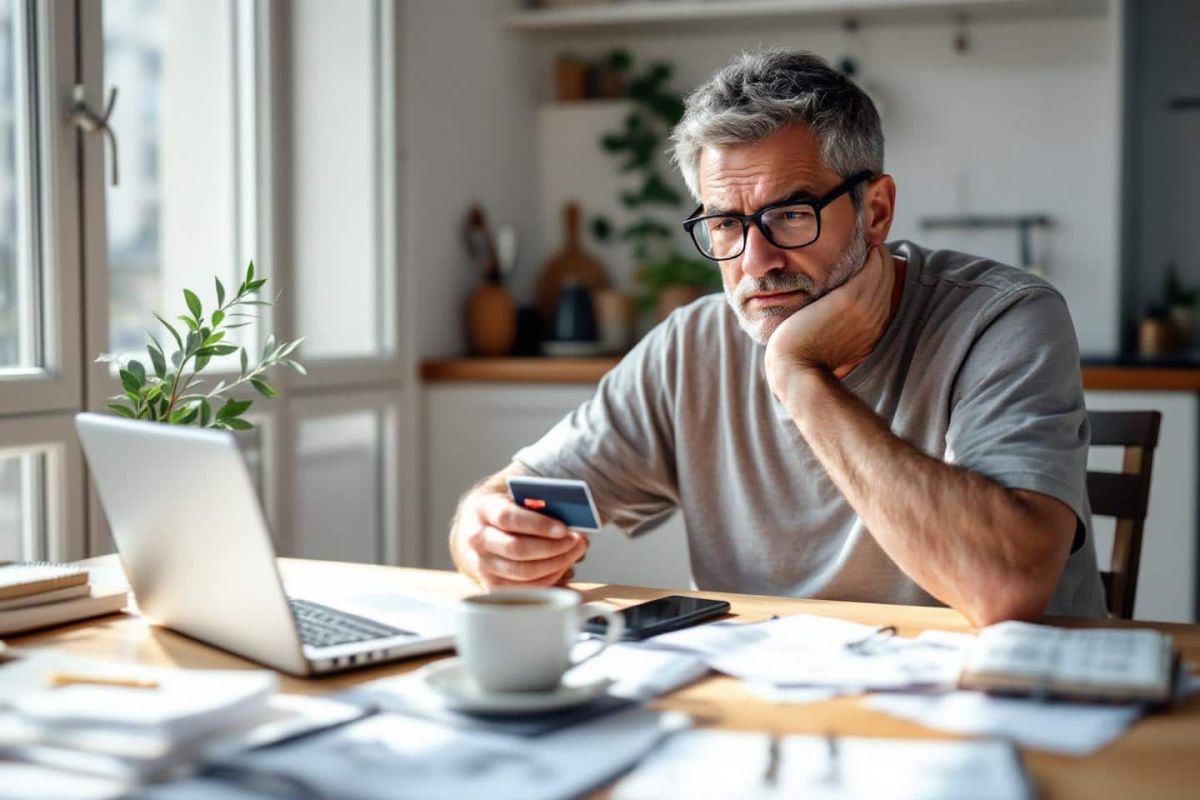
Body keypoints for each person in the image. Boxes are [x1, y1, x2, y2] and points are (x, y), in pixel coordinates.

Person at [449, 48, 1106, 624]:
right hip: (763, 710)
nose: (756, 262)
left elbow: (1005, 587)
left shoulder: (1003, 319)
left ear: (875, 211)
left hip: (994, 715)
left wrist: (799, 376)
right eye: (727, 225)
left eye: (791, 215)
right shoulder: (692, 346)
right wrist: (484, 533)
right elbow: (512, 495)